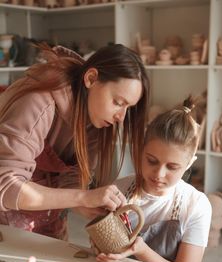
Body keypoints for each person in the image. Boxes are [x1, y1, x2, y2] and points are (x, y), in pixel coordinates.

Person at [0, 44, 149, 240]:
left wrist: (84, 205)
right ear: (91, 78)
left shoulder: (98, 121)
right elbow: (6, 186)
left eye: (128, 108)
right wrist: (84, 197)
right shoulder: (38, 102)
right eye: (118, 102)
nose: (121, 117)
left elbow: (72, 176)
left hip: (47, 216)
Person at [96, 96, 212, 262]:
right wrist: (103, 251)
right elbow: (99, 244)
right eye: (151, 161)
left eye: (172, 167)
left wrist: (142, 251)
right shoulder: (119, 189)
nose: (159, 174)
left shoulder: (196, 206)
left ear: (189, 164)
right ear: (141, 151)